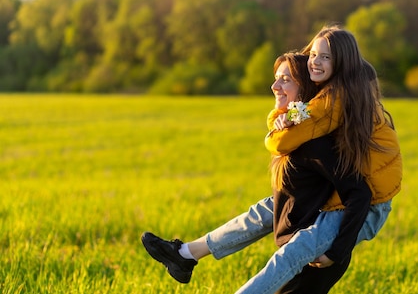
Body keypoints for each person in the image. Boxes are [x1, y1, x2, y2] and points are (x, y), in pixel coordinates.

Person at [142, 25, 402, 293]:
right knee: (269, 208)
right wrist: (282, 117)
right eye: (314, 54)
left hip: (363, 206)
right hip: (342, 198)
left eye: (285, 80)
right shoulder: (323, 109)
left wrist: (337, 251)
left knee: (292, 251)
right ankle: (186, 253)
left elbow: (282, 143)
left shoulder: (325, 116)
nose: (275, 86)